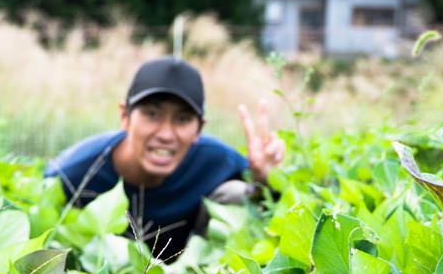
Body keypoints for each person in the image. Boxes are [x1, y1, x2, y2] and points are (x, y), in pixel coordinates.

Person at [45, 57, 287, 261]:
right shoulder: (74, 172)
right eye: (152, 114)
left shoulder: (216, 160)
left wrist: (265, 179)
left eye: (182, 119)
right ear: (125, 116)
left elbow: (272, 205)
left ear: (199, 130)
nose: (165, 134)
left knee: (237, 194)